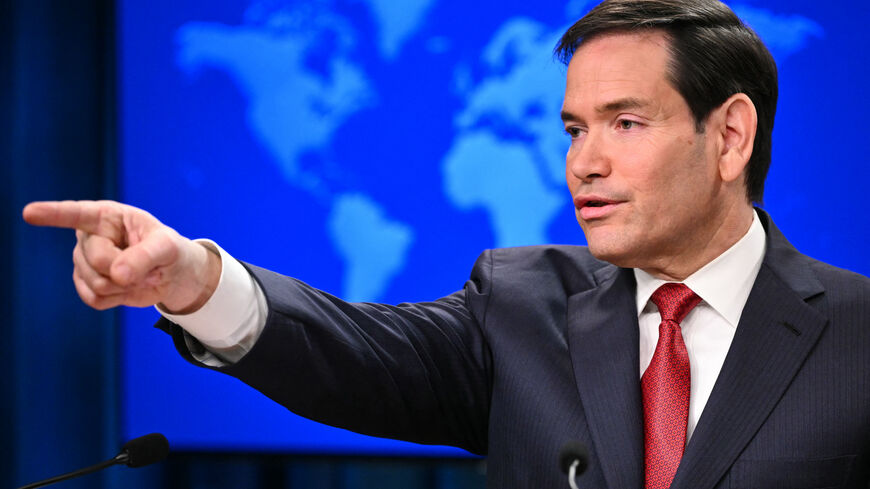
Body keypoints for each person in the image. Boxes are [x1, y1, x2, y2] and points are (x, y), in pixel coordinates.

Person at [22, 0, 870, 487]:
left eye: (625, 122)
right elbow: (354, 355)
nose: (585, 162)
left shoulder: (859, 332)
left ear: (729, 138)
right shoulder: (526, 303)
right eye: (574, 128)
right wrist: (193, 277)